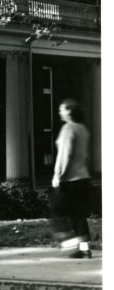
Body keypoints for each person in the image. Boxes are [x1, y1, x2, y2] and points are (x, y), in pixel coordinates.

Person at [50, 98, 92, 259]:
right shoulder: (83, 129)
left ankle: (69, 241)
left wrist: (58, 176)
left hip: (69, 179)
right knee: (78, 214)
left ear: (69, 111)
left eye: (61, 109)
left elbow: (65, 155)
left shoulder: (68, 128)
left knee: (57, 210)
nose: (59, 112)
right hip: (84, 177)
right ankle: (84, 249)